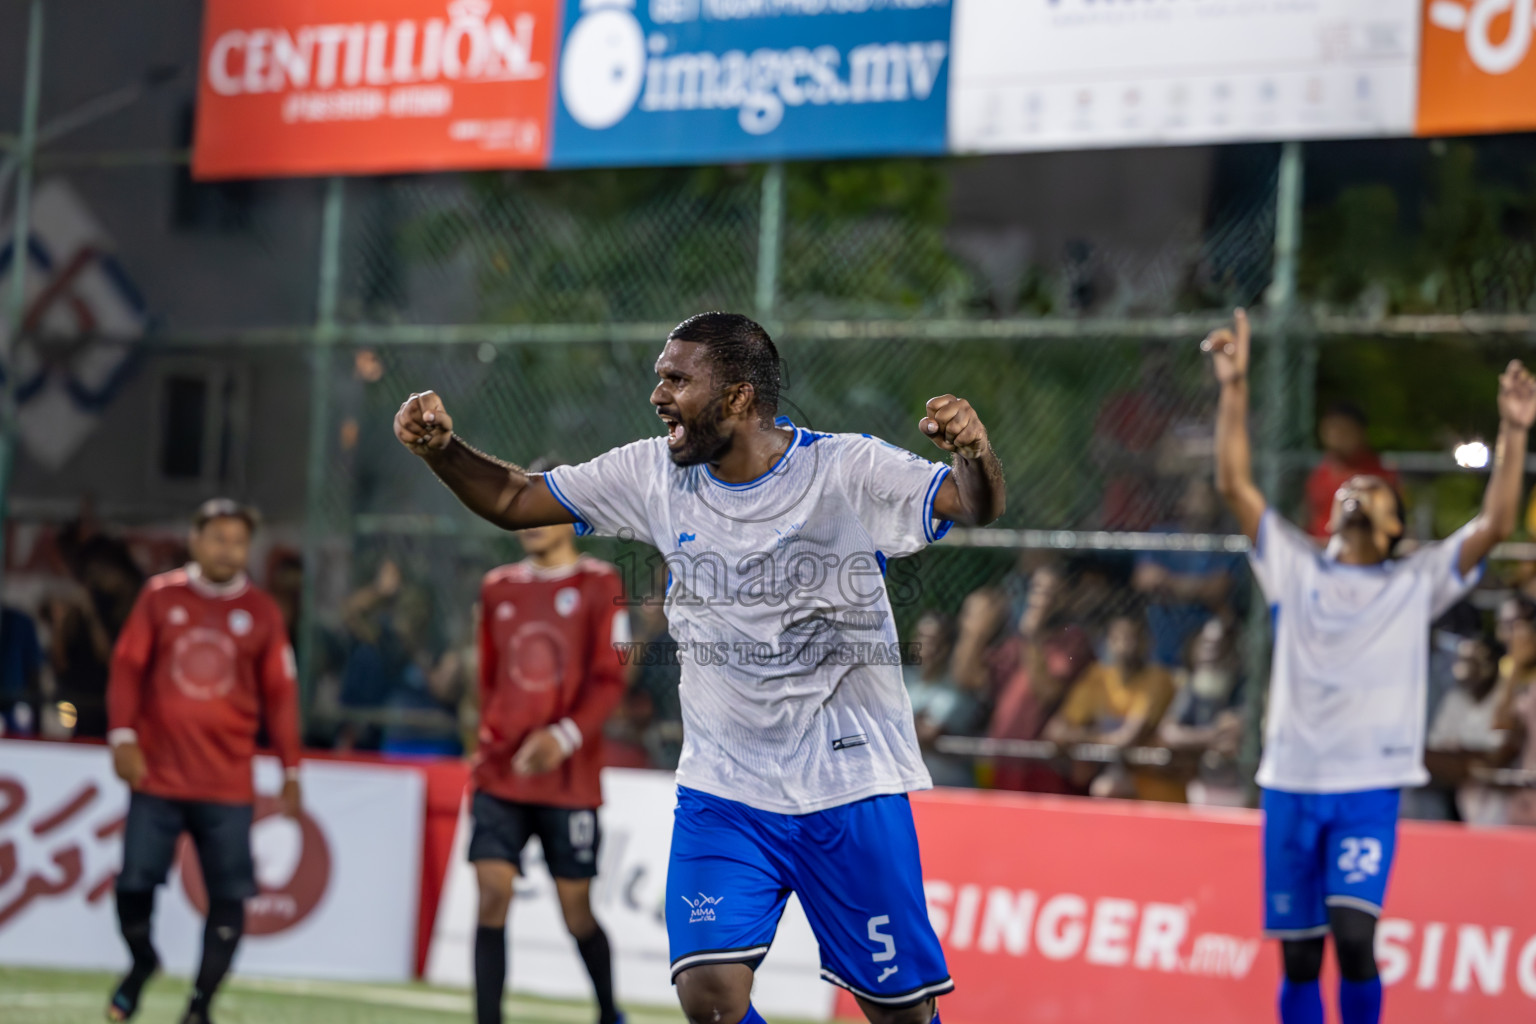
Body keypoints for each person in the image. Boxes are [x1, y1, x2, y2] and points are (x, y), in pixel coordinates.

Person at [396, 312, 1005, 1024]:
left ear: (741, 396)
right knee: (710, 998)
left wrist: (973, 450)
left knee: (899, 1013)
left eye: (677, 379)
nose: (658, 395)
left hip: (849, 788)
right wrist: (442, 451)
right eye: (661, 376)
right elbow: (513, 498)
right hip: (726, 791)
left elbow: (973, 504)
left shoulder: (847, 469)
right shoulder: (652, 472)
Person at [1204, 308, 1534, 1024]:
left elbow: (1497, 525)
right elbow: (1235, 485)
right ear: (1330, 518)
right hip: (1291, 782)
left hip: (1368, 787)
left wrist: (1513, 432)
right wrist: (1233, 388)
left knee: (1354, 940)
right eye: (1350, 492)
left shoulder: (1416, 581)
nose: (1358, 492)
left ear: (1394, 528)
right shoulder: (1293, 567)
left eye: (1376, 493)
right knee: (1298, 956)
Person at [105, 499, 303, 1024]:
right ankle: (142, 963)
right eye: (217, 537)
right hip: (158, 775)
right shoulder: (160, 596)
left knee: (229, 896)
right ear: (195, 540)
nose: (227, 549)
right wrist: (122, 735)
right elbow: (127, 668)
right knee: (132, 886)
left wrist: (292, 768)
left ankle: (199, 1006)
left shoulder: (262, 612)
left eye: (237, 540)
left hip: (227, 784)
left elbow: (282, 696)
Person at [470, 462, 630, 1024]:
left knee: (576, 910)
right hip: (499, 773)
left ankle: (610, 1011)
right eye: (522, 508)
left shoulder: (602, 584)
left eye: (542, 506)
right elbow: (487, 679)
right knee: (492, 895)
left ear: (570, 515)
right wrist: (487, 741)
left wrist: (563, 736)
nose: (531, 521)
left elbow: (612, 679)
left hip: (568, 780)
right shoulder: (498, 588)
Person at [1044, 613, 1177, 800]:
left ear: (1146, 643)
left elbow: (1127, 739)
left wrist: (1081, 738)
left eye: (1132, 638)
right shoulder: (1098, 677)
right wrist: (1096, 738)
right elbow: (1056, 730)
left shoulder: (1158, 680)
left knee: (1107, 788)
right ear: (1107, 642)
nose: (1125, 646)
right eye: (1118, 638)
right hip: (1108, 778)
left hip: (1155, 787)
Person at [1133, 475, 1242, 667]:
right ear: (1182, 502)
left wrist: (1168, 583)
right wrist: (1196, 588)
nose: (1202, 503)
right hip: (1162, 645)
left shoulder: (1227, 542)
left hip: (1203, 648)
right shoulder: (1162, 535)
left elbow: (1216, 589)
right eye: (1196, 496)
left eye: (1207, 497)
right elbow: (1144, 579)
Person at [1157, 616, 1246, 805]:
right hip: (1202, 782)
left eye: (1218, 644)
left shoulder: (1244, 686)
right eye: (1205, 644)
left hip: (1241, 784)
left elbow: (1234, 735)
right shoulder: (1193, 685)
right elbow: (1168, 732)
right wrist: (1211, 736)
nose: (1210, 652)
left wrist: (1194, 737)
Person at [1425, 632, 1510, 826]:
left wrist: (1463, 755)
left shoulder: (1507, 696)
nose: (1464, 668)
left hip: (1506, 803)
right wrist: (1468, 762)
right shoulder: (1455, 697)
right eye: (1462, 660)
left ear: (1496, 662)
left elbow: (1500, 755)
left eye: (1475, 660)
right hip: (1459, 795)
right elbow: (1435, 751)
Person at [902, 611, 984, 789]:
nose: (926, 645)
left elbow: (929, 733)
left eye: (934, 639)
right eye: (921, 636)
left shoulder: (957, 686)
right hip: (914, 790)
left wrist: (902, 722)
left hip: (952, 790)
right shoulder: (904, 680)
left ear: (947, 646)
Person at [1303, 402, 1401, 540]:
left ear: (1359, 431)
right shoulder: (1320, 470)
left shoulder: (1377, 474)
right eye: (1330, 429)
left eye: (1342, 429)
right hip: (1319, 547)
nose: (1335, 435)